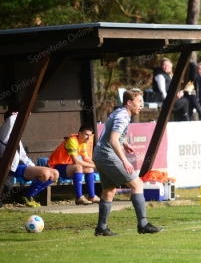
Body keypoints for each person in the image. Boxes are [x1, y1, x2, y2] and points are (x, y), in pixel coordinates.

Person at [93, 89, 162, 237]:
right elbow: (112, 140)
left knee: (109, 191)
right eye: (139, 101)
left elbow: (113, 134)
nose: (141, 105)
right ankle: (143, 224)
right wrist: (125, 161)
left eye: (142, 102)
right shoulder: (123, 116)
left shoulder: (120, 112)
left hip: (99, 154)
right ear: (129, 102)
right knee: (137, 184)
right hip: (106, 155)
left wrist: (123, 142)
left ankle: (101, 228)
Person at [0, 112, 59, 208]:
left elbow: (23, 156)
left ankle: (28, 195)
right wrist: (19, 114)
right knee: (45, 173)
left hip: (22, 167)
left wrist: (34, 168)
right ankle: (26, 196)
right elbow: (10, 122)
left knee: (55, 173)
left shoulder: (17, 138)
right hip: (11, 169)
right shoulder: (4, 133)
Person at [48, 124, 100, 205]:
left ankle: (92, 196)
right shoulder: (72, 141)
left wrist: (97, 165)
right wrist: (94, 166)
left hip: (66, 167)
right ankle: (79, 197)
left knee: (90, 169)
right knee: (78, 167)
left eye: (90, 135)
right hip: (55, 167)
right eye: (86, 134)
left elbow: (86, 158)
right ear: (80, 133)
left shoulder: (83, 142)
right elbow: (76, 161)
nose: (89, 138)